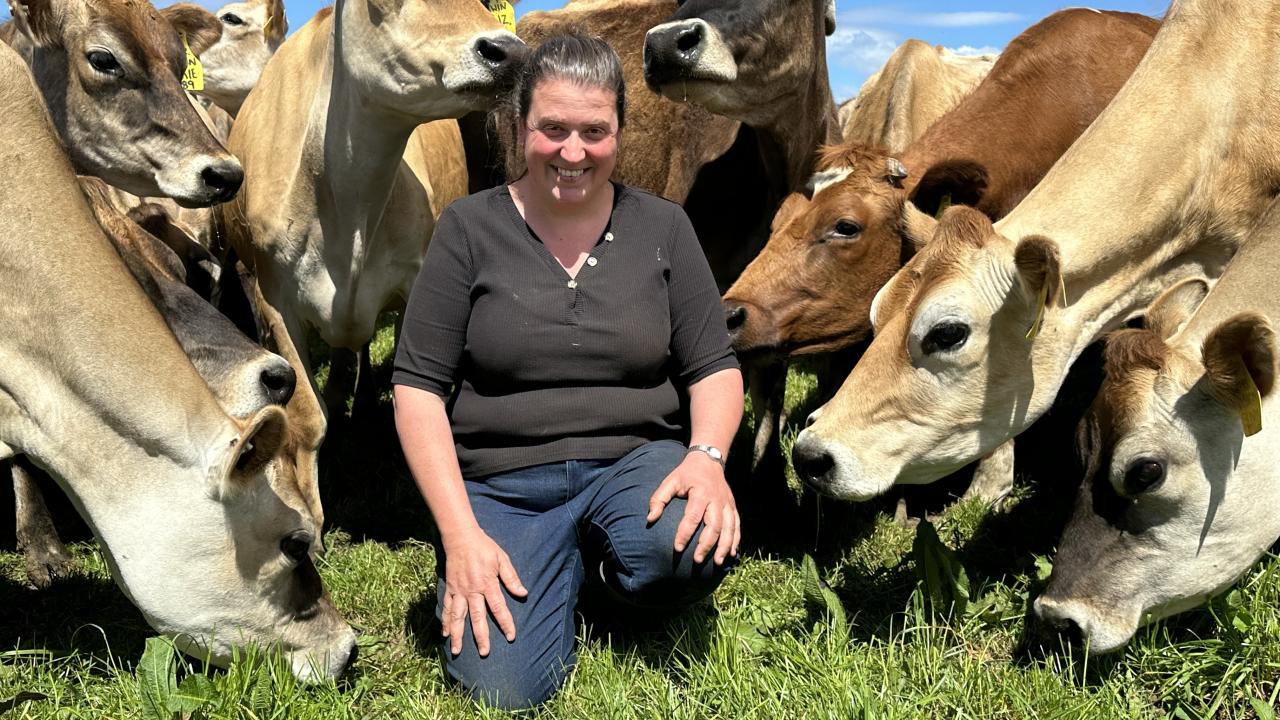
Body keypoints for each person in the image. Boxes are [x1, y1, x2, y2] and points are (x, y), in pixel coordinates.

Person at [391, 34, 744, 710]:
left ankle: (613, 575)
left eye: (594, 131)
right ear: (519, 125)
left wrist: (705, 457)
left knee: (686, 546)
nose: (574, 152)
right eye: (553, 129)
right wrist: (461, 534)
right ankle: (550, 566)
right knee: (505, 690)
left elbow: (714, 367)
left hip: (633, 466)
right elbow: (416, 390)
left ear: (619, 131)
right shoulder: (468, 229)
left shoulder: (664, 228)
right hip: (505, 485)